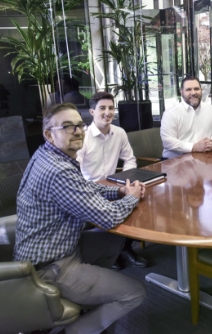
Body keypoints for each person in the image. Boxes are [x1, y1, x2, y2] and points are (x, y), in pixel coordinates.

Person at [14, 103, 146, 334]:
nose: (77, 131)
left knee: (112, 240)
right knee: (134, 292)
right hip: (50, 268)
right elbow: (108, 217)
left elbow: (83, 188)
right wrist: (132, 197)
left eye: (78, 125)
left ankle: (89, 298)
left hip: (57, 250)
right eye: (66, 126)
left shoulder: (47, 154)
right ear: (49, 134)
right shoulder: (58, 171)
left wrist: (118, 192)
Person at [77, 92, 148, 269]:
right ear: (92, 112)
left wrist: (126, 181)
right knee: (112, 210)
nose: (107, 112)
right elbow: (75, 170)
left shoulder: (119, 133)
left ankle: (125, 248)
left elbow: (130, 159)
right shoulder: (83, 138)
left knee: (139, 201)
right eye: (102, 108)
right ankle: (109, 252)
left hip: (115, 186)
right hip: (90, 190)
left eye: (110, 108)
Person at [160, 75, 212, 159]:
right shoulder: (171, 114)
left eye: (196, 89)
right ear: (181, 92)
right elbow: (168, 141)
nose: (193, 93)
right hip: (175, 161)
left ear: (201, 90)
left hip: (204, 159)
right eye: (188, 89)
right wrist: (193, 147)